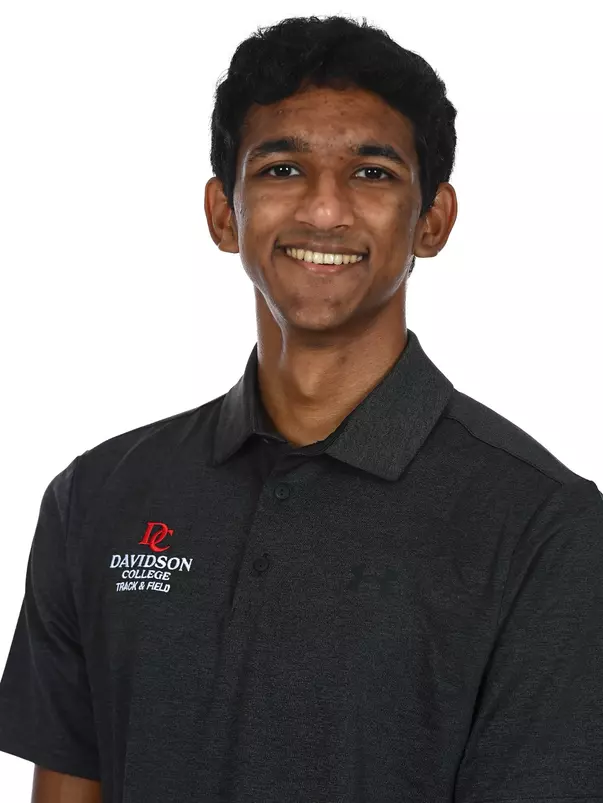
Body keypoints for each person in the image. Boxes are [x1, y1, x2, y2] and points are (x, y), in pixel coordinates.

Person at [1, 14, 602, 803]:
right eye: (282, 169)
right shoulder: (98, 497)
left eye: (372, 173)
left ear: (433, 220)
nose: (324, 211)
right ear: (224, 213)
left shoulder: (545, 527)